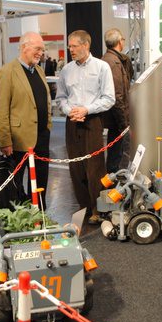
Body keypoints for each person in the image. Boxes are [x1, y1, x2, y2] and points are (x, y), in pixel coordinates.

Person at [56, 30, 114, 224]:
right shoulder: (66, 70)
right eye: (69, 46)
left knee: (95, 167)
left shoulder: (102, 67)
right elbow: (61, 98)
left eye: (74, 46)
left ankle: (98, 209)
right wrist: (69, 111)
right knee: (76, 167)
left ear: (86, 45)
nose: (70, 50)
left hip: (92, 121)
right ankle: (84, 207)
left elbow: (109, 98)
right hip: (72, 122)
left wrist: (86, 110)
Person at [0, 31, 51, 207]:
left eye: (42, 49)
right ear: (24, 47)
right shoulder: (7, 72)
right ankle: (17, 217)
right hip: (18, 141)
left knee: (41, 182)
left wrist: (48, 126)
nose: (41, 53)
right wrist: (5, 141)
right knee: (15, 184)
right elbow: (1, 109)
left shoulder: (39, 70)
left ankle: (40, 213)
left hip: (41, 137)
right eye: (37, 49)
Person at [102, 28, 132, 173]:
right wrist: (123, 123)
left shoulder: (113, 59)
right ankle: (114, 182)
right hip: (116, 119)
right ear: (120, 41)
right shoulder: (113, 62)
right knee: (117, 156)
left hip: (114, 118)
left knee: (116, 153)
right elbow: (117, 96)